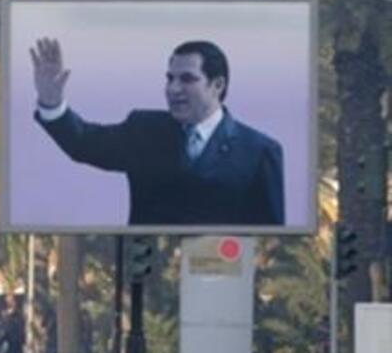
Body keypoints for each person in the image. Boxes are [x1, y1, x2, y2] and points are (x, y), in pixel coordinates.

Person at [31, 38, 284, 225]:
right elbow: (84, 142)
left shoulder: (259, 151)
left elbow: (272, 239)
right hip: (148, 279)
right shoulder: (144, 130)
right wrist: (51, 103)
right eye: (169, 78)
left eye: (187, 79)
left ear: (217, 85)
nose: (173, 89)